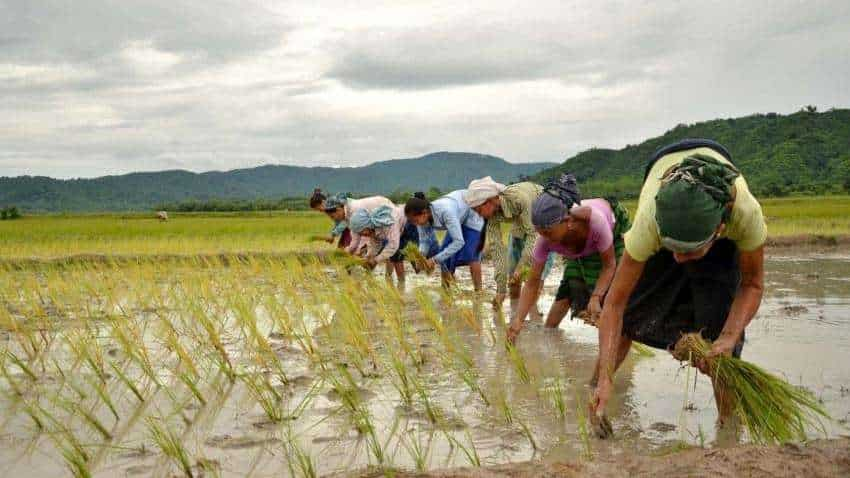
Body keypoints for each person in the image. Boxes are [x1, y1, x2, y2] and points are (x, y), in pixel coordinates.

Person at [591, 139, 766, 424]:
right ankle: (597, 386)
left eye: (689, 252)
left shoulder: (744, 215)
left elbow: (753, 284)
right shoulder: (650, 222)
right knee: (633, 313)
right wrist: (606, 378)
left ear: (719, 229)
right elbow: (615, 305)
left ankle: (727, 424)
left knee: (723, 346)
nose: (679, 259)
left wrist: (728, 337)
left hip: (712, 217)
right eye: (673, 250)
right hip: (664, 198)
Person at [506, 173, 631, 343]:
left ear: (568, 221)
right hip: (576, 246)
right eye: (539, 232)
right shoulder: (546, 239)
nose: (544, 237)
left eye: (548, 232)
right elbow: (532, 281)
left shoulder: (596, 223)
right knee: (570, 287)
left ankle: (619, 342)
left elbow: (609, 265)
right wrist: (518, 319)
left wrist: (596, 297)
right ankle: (550, 338)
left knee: (615, 295)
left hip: (613, 235)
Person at [463, 176, 556, 311]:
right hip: (519, 227)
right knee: (513, 278)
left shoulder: (518, 199)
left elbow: (533, 235)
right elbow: (497, 250)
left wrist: (522, 265)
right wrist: (500, 290)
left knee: (535, 278)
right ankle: (515, 313)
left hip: (543, 222)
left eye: (478, 210)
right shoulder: (492, 215)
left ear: (489, 201)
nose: (479, 215)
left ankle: (533, 319)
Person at [405, 190, 486, 291]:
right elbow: (424, 241)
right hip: (457, 216)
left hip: (472, 212)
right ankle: (445, 292)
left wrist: (434, 260)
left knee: (472, 254)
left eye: (416, 221)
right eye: (413, 222)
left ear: (424, 213)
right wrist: (420, 256)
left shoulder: (446, 212)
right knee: (446, 257)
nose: (415, 224)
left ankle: (478, 292)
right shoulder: (420, 219)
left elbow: (459, 242)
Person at [348, 204, 418, 284]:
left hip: (409, 223)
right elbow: (375, 243)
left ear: (366, 226)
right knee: (395, 257)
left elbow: (393, 246)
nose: (362, 235)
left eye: (361, 232)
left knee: (400, 255)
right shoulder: (373, 228)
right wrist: (369, 257)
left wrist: (376, 260)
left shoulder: (387, 223)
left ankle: (402, 283)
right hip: (398, 230)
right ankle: (401, 283)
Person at [324, 194, 395, 257]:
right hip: (377, 225)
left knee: (390, 247)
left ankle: (388, 270)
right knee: (375, 248)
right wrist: (348, 251)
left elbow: (364, 236)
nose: (333, 219)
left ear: (338, 209)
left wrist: (357, 251)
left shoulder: (354, 212)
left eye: (332, 216)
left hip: (388, 214)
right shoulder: (348, 215)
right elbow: (355, 239)